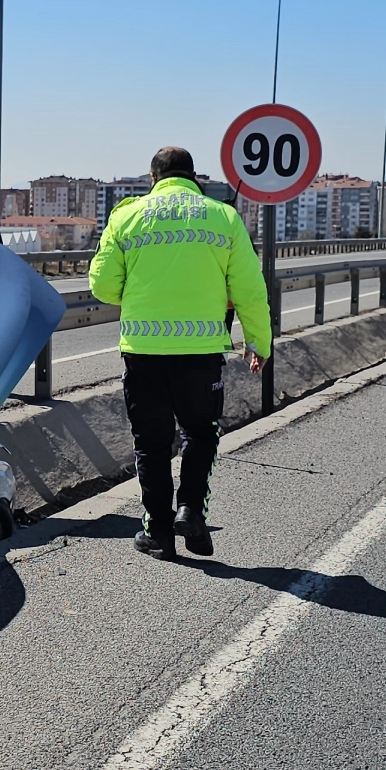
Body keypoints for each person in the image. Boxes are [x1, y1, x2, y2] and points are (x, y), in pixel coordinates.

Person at [89, 146, 271, 561]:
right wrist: (257, 342)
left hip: (143, 351)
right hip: (200, 351)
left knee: (150, 443)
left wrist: (136, 294)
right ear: (195, 178)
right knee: (201, 433)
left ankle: (157, 532)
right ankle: (190, 510)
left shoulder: (127, 215)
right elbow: (249, 288)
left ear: (153, 178)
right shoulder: (222, 216)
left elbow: (101, 284)